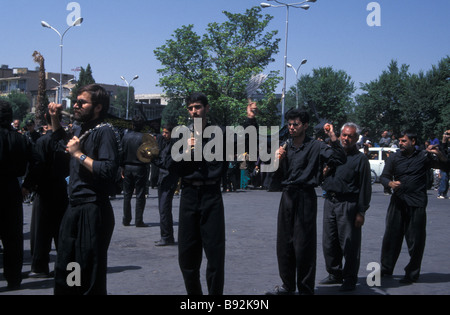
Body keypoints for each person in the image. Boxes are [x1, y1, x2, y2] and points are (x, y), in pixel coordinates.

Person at [155, 92, 258, 295]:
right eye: (191, 108)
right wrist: (184, 152)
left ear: (207, 108)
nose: (195, 111)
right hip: (189, 195)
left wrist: (250, 120)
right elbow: (167, 165)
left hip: (212, 195)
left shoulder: (220, 132)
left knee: (215, 253)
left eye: (198, 107)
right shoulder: (180, 134)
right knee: (186, 255)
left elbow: (247, 142)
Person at [266, 109, 346, 295]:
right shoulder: (285, 146)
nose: (292, 128)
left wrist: (333, 137)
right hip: (287, 197)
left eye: (296, 124)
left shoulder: (316, 147)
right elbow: (273, 180)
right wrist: (277, 160)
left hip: (305, 197)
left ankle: (305, 288)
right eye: (290, 124)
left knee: (304, 246)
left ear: (305, 126)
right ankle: (287, 285)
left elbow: (340, 158)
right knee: (284, 244)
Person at [49, 84, 119, 295]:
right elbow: (63, 143)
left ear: (97, 107)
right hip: (74, 208)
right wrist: (54, 117)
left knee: (88, 273)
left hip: (93, 209)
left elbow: (108, 170)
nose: (76, 105)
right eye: (76, 102)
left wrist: (79, 154)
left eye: (82, 102)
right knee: (69, 268)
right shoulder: (81, 129)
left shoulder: (105, 131)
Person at [380, 130, 449, 284]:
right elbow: (384, 176)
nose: (401, 143)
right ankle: (386, 268)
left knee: (416, 240)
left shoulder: (424, 157)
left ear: (413, 142)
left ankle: (412, 273)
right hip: (397, 202)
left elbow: (446, 166)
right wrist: (390, 183)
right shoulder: (395, 157)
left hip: (416, 203)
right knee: (391, 237)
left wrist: (440, 152)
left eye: (404, 141)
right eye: (400, 141)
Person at [319, 123, 372, 291]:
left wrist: (361, 211)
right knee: (329, 241)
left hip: (348, 205)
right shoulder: (334, 154)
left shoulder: (360, 159)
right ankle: (335, 273)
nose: (346, 138)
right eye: (344, 135)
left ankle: (350, 277)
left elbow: (365, 187)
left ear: (356, 139)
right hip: (330, 202)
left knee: (349, 243)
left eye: (350, 136)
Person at [21, 108, 70, 278]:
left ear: (44, 118)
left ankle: (40, 266)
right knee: (61, 231)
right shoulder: (66, 141)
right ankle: (64, 267)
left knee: (41, 230)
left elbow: (37, 165)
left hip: (44, 190)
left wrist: (27, 185)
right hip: (61, 189)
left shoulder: (42, 142)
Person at [0, 99, 31, 290]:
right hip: (12, 189)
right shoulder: (20, 139)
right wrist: (27, 184)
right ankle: (13, 278)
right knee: (13, 238)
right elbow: (36, 161)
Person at [121, 115, 151, 227]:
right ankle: (139, 220)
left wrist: (122, 167)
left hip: (128, 167)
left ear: (132, 125)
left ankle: (126, 219)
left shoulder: (126, 137)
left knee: (127, 194)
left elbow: (122, 153)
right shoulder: (145, 138)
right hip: (140, 167)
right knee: (140, 194)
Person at [153, 124, 179, 246]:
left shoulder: (175, 146)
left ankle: (166, 237)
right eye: (163, 132)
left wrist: (153, 159)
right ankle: (167, 236)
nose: (164, 135)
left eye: (166, 133)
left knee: (164, 208)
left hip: (168, 179)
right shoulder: (165, 143)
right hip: (163, 179)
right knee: (163, 209)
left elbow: (166, 164)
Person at [437, 130, 449, 199]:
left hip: (447, 163)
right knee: (444, 178)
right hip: (444, 164)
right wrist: (445, 134)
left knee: (446, 179)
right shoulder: (443, 145)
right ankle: (441, 193)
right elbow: (444, 140)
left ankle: (444, 193)